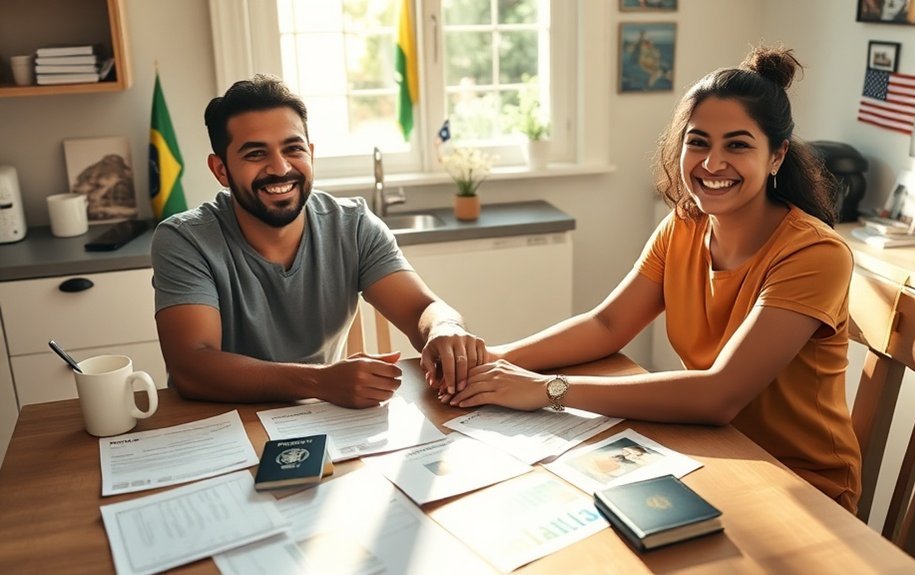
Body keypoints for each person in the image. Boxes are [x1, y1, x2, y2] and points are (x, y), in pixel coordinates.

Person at [445, 46, 862, 512]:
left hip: (800, 486)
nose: (712, 164)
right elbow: (607, 325)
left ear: (776, 156)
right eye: (698, 142)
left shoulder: (815, 254)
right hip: (710, 452)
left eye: (737, 145)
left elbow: (719, 395)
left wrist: (547, 390)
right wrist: (492, 361)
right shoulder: (683, 225)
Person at [151, 74, 484, 408]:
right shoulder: (185, 239)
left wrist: (444, 327)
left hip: (319, 417)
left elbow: (422, 309)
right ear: (221, 170)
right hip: (219, 421)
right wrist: (319, 381)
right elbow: (192, 366)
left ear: (310, 153)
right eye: (255, 154)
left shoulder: (353, 225)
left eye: (293, 149)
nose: (280, 168)